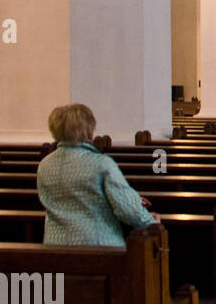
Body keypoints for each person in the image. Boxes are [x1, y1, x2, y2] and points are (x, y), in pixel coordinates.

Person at [37, 103, 157, 246]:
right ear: (88, 129)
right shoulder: (101, 163)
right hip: (98, 247)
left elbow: (74, 197)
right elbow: (128, 211)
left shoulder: (45, 164)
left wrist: (128, 197)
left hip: (55, 246)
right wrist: (153, 224)